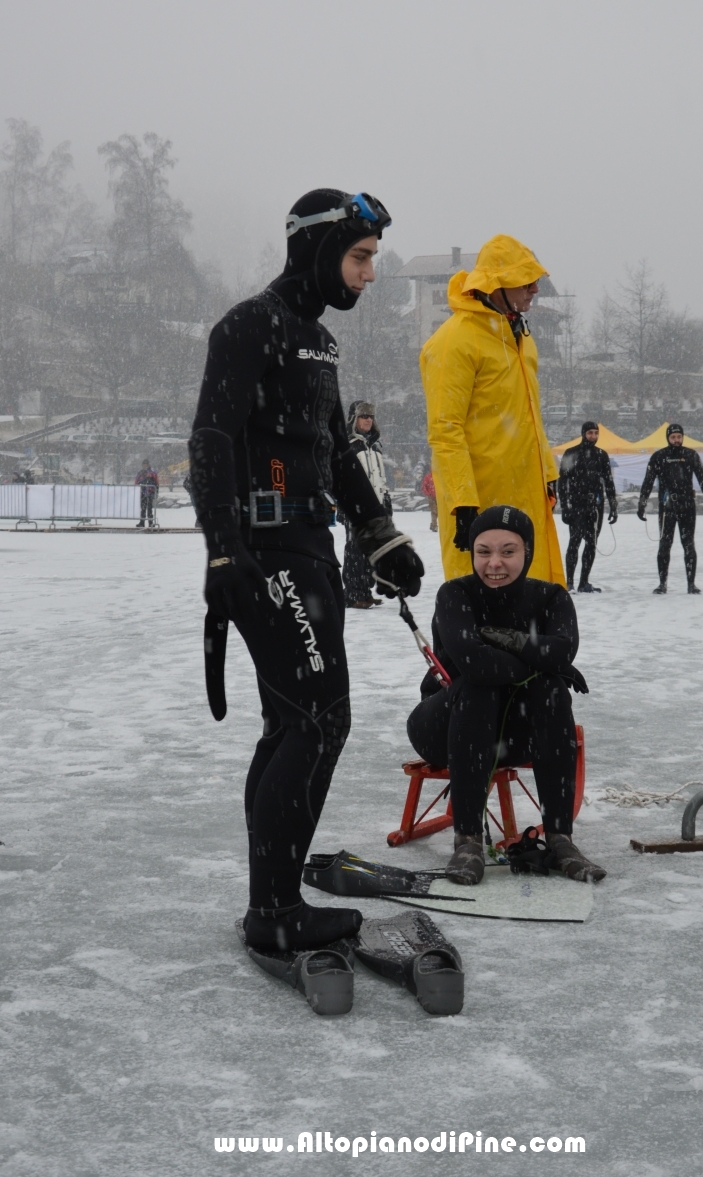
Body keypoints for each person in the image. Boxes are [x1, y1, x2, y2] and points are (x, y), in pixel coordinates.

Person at [188, 188, 424, 954]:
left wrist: (381, 536)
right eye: (359, 259)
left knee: (296, 721)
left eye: (372, 261)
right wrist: (223, 547)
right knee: (320, 721)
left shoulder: (317, 343)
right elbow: (213, 438)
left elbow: (336, 453)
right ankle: (276, 909)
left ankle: (272, 900)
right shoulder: (250, 325)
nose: (369, 275)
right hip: (266, 552)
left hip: (309, 548)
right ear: (319, 252)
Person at [406, 504, 605, 887]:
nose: (494, 563)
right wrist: (541, 656)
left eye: (508, 551)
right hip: (444, 727)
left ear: (527, 552)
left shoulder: (551, 598)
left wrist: (502, 638)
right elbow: (480, 667)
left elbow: (563, 651)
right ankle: (467, 840)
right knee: (480, 686)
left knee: (552, 691)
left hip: (513, 735)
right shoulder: (455, 594)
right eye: (484, 551)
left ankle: (560, 838)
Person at [420, 235, 565, 586]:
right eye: (525, 280)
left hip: (526, 494)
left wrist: (548, 474)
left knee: (534, 601)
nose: (535, 289)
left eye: (536, 280)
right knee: (483, 610)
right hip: (482, 500)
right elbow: (445, 429)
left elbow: (532, 416)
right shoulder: (454, 341)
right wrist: (462, 504)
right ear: (496, 284)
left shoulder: (521, 338)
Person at [637, 423, 703, 594]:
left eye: (679, 437)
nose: (676, 440)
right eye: (673, 437)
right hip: (667, 507)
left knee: (688, 545)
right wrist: (642, 503)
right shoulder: (659, 456)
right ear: (668, 438)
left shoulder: (690, 455)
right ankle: (662, 584)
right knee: (665, 545)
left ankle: (691, 584)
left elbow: (702, 479)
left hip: (686, 505)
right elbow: (648, 481)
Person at [340, 401, 392, 609]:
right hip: (355, 508)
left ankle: (364, 591)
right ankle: (353, 593)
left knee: (372, 550)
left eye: (371, 416)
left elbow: (380, 478)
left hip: (376, 507)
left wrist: (386, 503)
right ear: (353, 419)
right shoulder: (347, 445)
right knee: (355, 551)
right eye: (364, 416)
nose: (368, 420)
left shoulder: (375, 446)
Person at [558, 421, 618, 593]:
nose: (593, 436)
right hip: (577, 504)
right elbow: (562, 482)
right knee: (574, 542)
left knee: (591, 544)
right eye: (590, 433)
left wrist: (613, 506)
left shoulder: (601, 455)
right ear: (583, 433)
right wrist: (565, 508)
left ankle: (584, 582)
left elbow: (609, 482)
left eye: (595, 433)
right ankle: (569, 583)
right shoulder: (571, 453)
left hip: (595, 506)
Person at [135, 460, 159, 527]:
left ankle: (150, 522)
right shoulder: (140, 473)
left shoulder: (153, 473)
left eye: (146, 464)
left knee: (149, 508)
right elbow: (136, 481)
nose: (145, 465)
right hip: (142, 492)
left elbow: (156, 482)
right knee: (143, 508)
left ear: (148, 465)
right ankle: (142, 522)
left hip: (150, 492)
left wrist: (156, 491)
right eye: (144, 464)